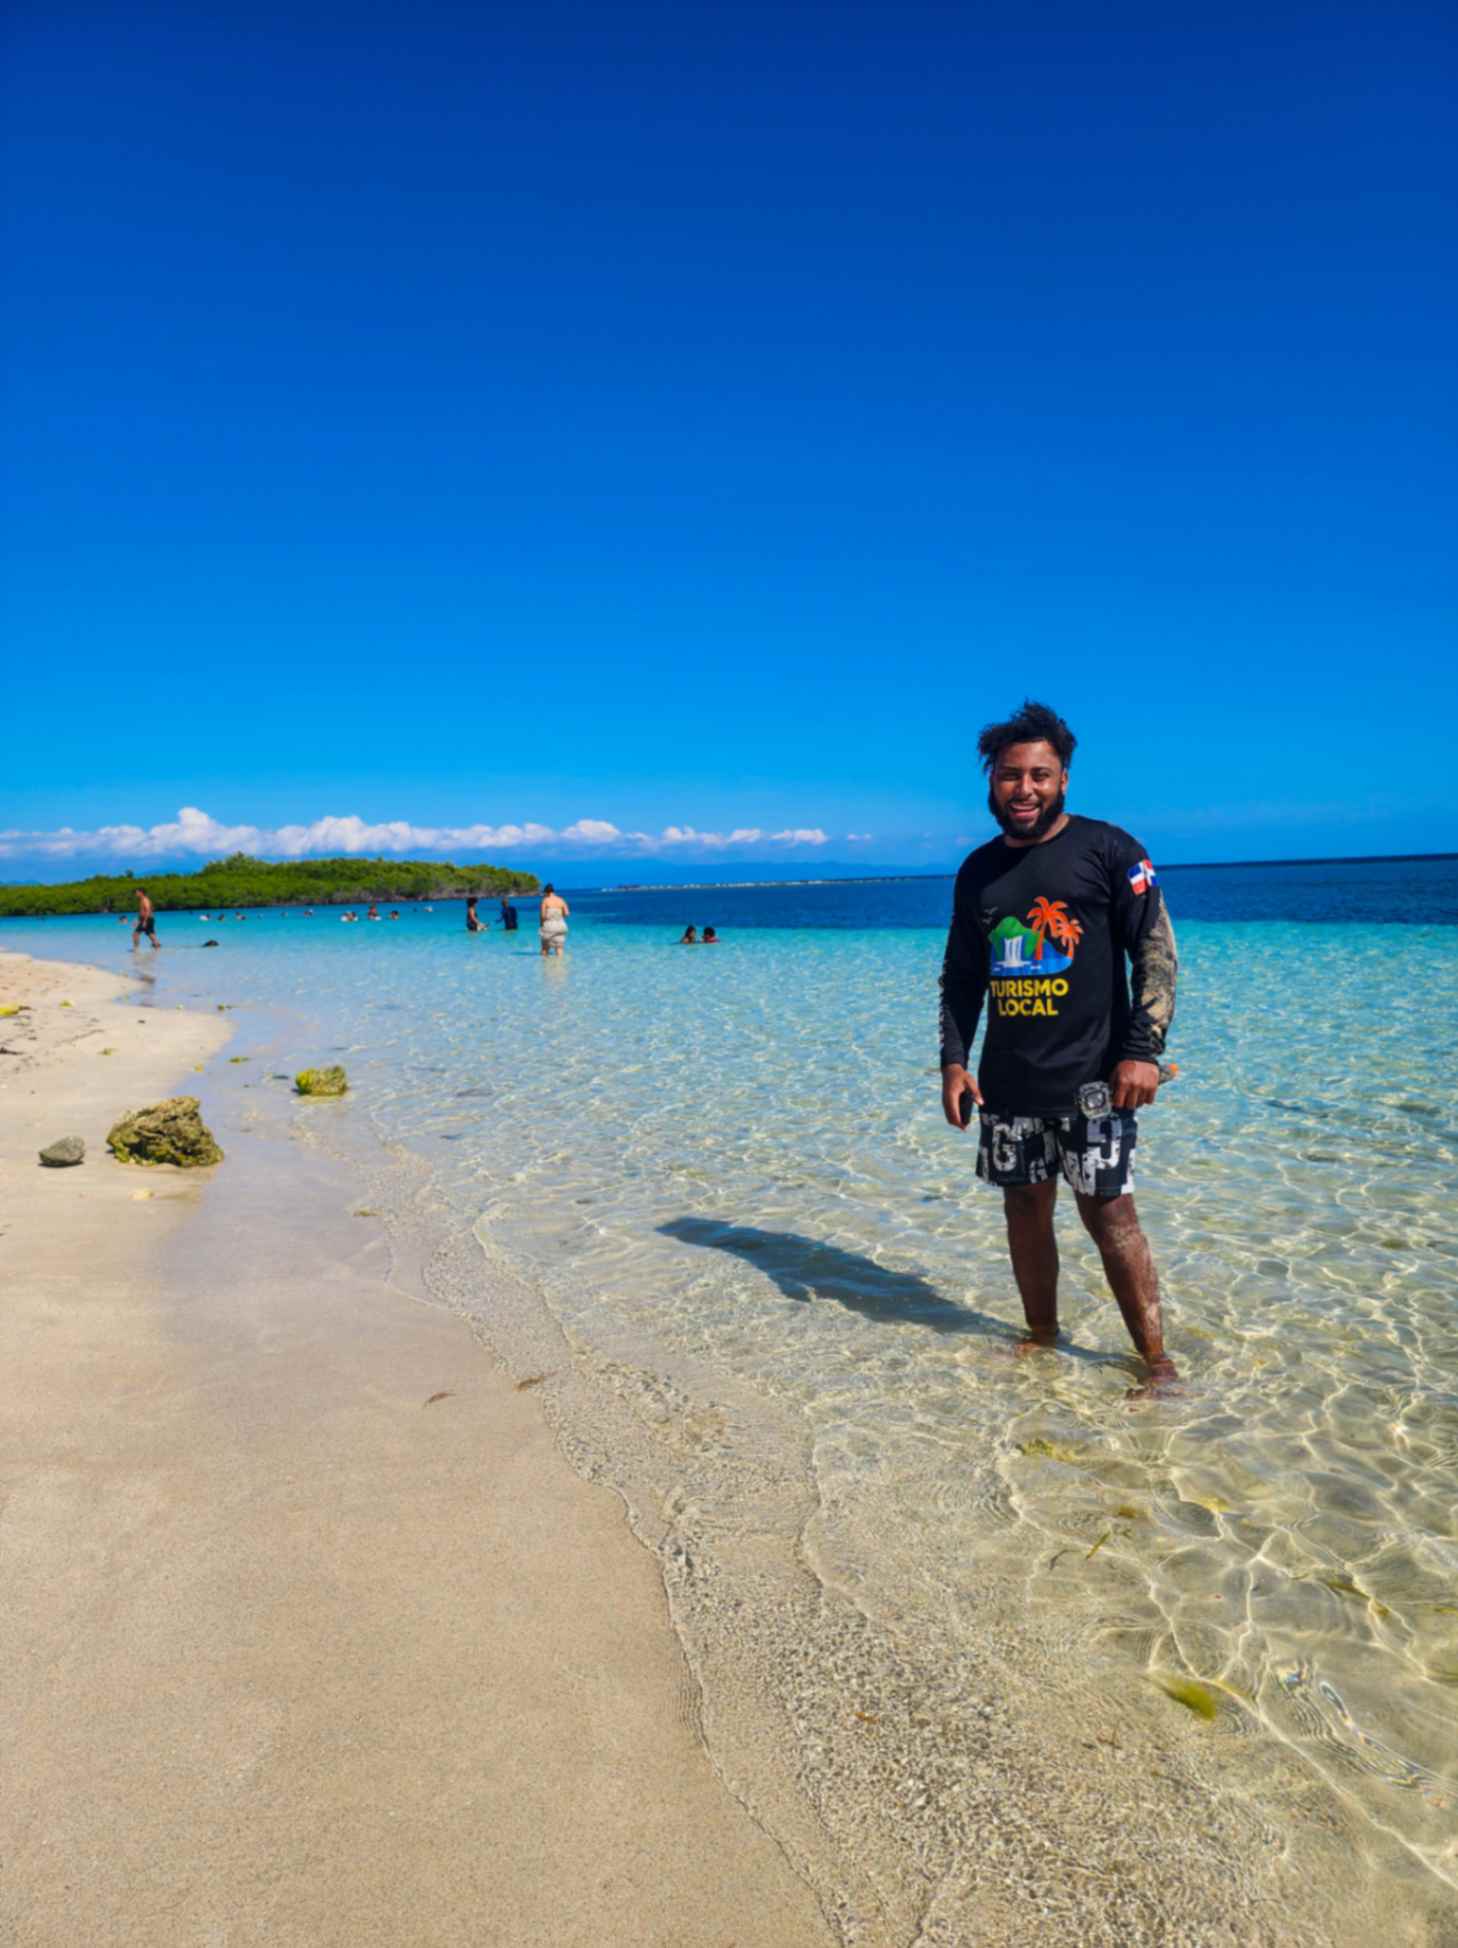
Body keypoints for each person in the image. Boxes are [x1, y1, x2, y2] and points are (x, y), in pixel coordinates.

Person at [938, 700, 1180, 1394]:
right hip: (1007, 1083)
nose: (1024, 790)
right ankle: (1042, 1337)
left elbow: (1156, 953)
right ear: (991, 782)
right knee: (1022, 1210)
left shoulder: (1111, 850)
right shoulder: (977, 871)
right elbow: (962, 974)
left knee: (1112, 1216)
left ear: (1065, 778)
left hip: (1096, 1082)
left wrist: (1144, 1050)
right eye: (1011, 776)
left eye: (1040, 775)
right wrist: (954, 1061)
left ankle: (1155, 1363)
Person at [538, 884, 569, 956]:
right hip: (561, 926)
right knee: (559, 948)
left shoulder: (545, 900)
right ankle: (561, 966)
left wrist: (541, 925)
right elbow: (567, 913)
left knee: (545, 949)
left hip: (549, 926)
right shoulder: (561, 900)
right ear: (553, 891)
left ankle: (545, 966)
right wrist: (558, 917)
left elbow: (542, 916)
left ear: (546, 892)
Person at [132, 887, 160, 952]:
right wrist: (137, 920)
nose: (136, 894)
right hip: (146, 919)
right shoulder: (141, 900)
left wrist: (145, 921)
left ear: (141, 893)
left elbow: (148, 910)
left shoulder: (145, 900)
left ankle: (136, 950)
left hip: (147, 919)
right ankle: (157, 945)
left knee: (135, 934)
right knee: (150, 933)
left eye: (137, 892)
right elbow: (142, 912)